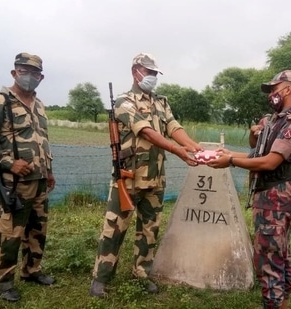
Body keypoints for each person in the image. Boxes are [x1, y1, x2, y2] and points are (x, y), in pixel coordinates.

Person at [89, 52, 202, 298]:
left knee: (150, 229)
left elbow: (173, 127)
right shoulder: (124, 102)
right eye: (148, 72)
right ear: (135, 71)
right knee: (114, 228)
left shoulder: (161, 102)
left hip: (156, 177)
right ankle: (101, 278)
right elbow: (148, 132)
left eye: (154, 73)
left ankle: (141, 272)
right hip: (129, 177)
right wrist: (178, 151)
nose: (152, 77)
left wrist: (195, 147)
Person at [207, 70, 291, 309]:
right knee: (279, 253)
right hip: (270, 194)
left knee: (269, 259)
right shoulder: (273, 120)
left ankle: (274, 304)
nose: (271, 94)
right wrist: (248, 140)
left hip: (276, 195)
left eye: (274, 89)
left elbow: (269, 162)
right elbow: (257, 151)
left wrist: (231, 161)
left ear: (287, 89)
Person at [0, 52, 56, 302]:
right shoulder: (0, 101)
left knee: (37, 229)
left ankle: (32, 271)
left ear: (41, 77)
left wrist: (49, 171)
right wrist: (9, 162)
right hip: (14, 183)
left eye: (35, 73)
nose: (29, 76)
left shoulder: (39, 104)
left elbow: (43, 140)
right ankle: (3, 283)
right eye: (24, 71)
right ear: (14, 73)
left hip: (39, 180)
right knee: (9, 234)